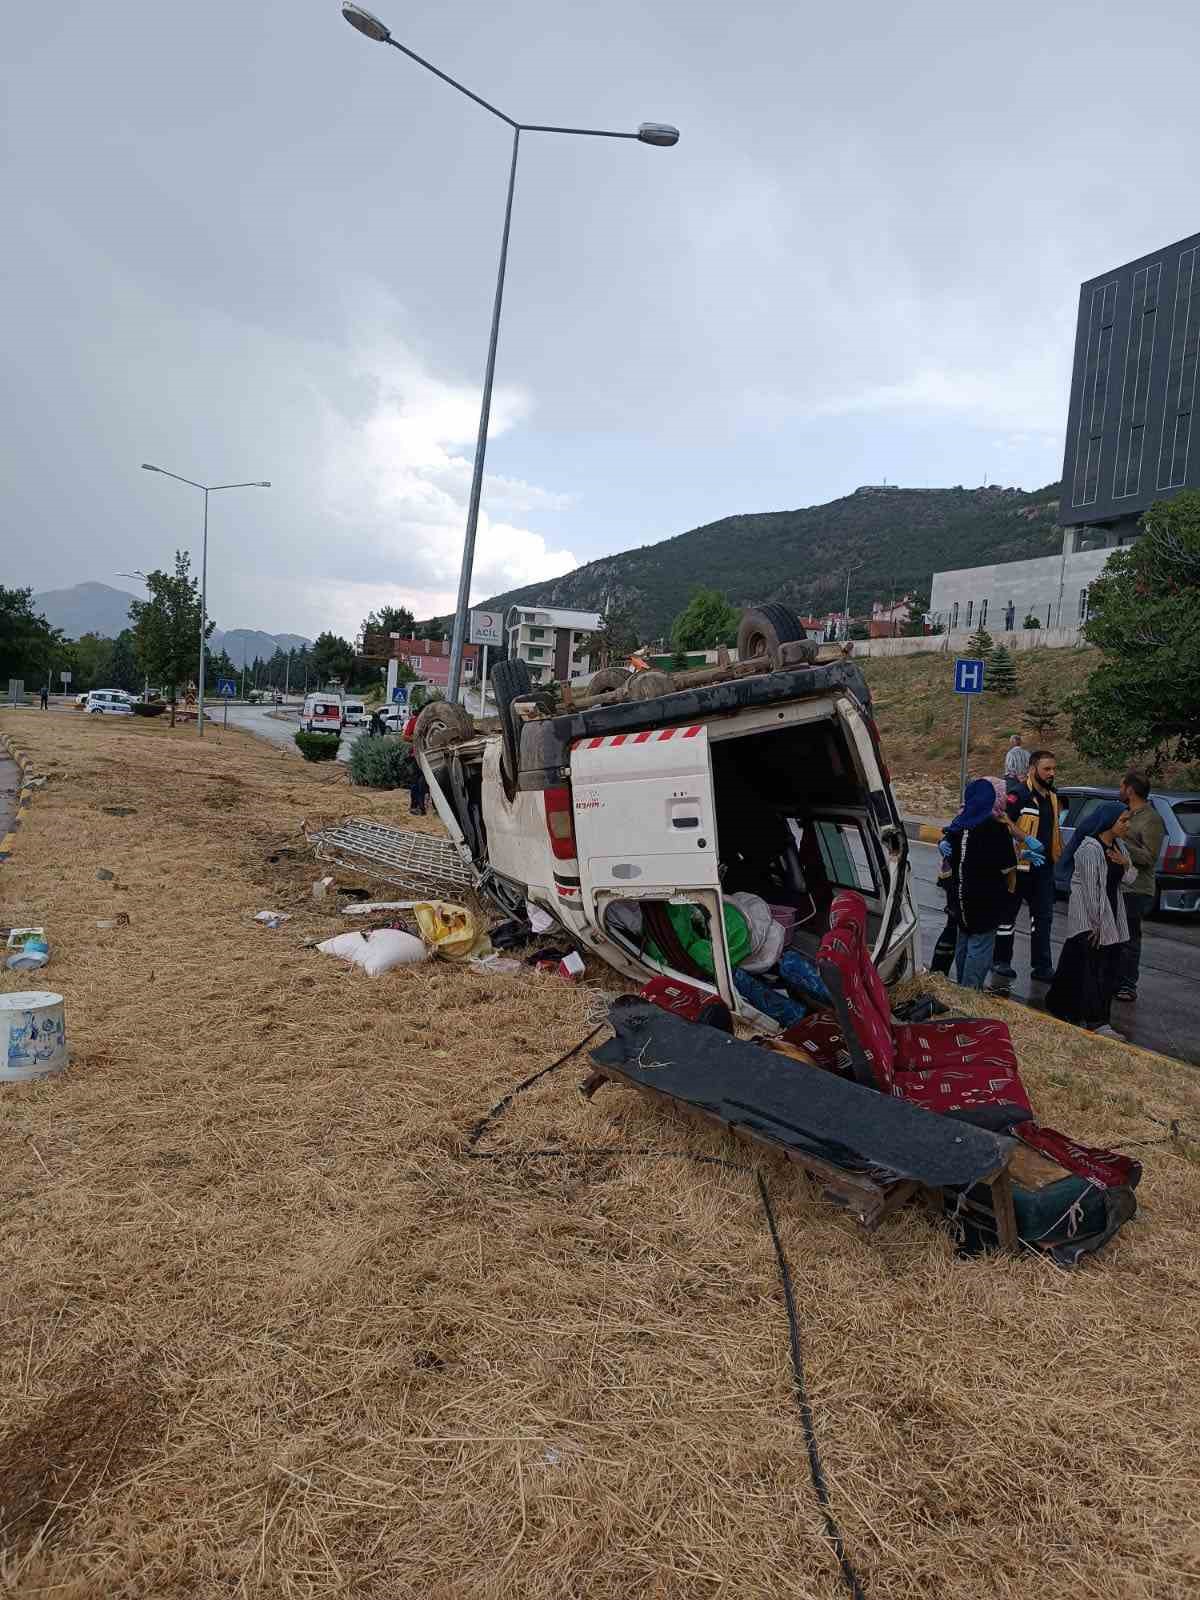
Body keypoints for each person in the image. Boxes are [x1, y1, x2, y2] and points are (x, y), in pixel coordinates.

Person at [1046, 803, 1134, 1038]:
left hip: (1112, 914)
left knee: (1080, 965)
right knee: (1096, 969)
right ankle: (1097, 1021)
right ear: (1109, 822)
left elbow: (1130, 879)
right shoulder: (1089, 848)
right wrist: (1096, 924)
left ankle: (1061, 1006)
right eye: (1123, 821)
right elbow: (1091, 889)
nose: (1127, 825)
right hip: (1090, 917)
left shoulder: (1119, 846)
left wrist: (1125, 864)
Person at [991, 749, 1063, 989]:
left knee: (1043, 918)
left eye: (1054, 769)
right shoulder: (1019, 794)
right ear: (1033, 769)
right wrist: (1025, 839)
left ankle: (1042, 966)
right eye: (1047, 769)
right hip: (1019, 866)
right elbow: (1003, 820)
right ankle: (1001, 960)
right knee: (1007, 916)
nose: (1052, 773)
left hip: (1043, 868)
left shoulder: (1052, 796)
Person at [942, 778, 1019, 988]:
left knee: (964, 941)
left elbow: (951, 857)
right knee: (981, 945)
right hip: (986, 901)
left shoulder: (959, 825)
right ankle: (970, 993)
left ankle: (961, 988)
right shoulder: (995, 828)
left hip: (961, 898)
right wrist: (1009, 894)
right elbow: (1008, 869)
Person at [1114, 770, 1164, 1003]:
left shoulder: (1151, 819)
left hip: (1136, 888)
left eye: (1122, 786)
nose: (1120, 789)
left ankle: (1127, 985)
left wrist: (1122, 844)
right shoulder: (1125, 813)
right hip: (1117, 884)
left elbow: (1150, 857)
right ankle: (1112, 980)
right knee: (1112, 936)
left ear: (1130, 790)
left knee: (1129, 938)